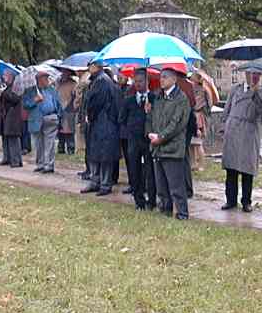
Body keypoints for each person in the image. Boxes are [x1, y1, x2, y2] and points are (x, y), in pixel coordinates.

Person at [221, 70, 262, 212]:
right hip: (233, 130)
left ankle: (246, 201)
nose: (254, 76)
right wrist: (223, 126)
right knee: (231, 168)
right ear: (246, 74)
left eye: (258, 74)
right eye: (252, 73)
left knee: (247, 169)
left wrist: (255, 93)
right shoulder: (235, 89)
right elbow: (227, 108)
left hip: (249, 132)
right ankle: (230, 200)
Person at [146, 68, 191, 219]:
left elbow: (177, 124)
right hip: (158, 147)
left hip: (173, 148)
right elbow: (152, 119)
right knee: (161, 186)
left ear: (174, 79)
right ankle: (165, 210)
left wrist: (162, 137)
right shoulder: (158, 97)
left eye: (165, 77)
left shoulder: (181, 98)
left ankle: (182, 213)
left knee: (176, 186)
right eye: (161, 77)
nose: (162, 80)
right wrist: (150, 132)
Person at [81, 60, 120, 196]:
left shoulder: (102, 81)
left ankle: (104, 184)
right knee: (96, 154)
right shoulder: (97, 80)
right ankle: (96, 181)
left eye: (90, 65)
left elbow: (96, 103)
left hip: (104, 123)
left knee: (104, 155)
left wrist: (90, 116)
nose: (88, 68)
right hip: (100, 123)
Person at [119, 68, 157, 210]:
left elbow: (159, 119)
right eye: (136, 81)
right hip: (133, 140)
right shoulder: (129, 100)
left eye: (141, 81)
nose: (138, 84)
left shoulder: (154, 99)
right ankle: (138, 199)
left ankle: (152, 200)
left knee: (150, 170)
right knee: (134, 170)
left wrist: (150, 112)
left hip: (148, 140)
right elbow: (122, 118)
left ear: (147, 81)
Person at [23, 70, 63, 173]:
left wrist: (58, 115)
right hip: (36, 120)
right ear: (38, 80)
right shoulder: (30, 91)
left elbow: (58, 103)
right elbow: (25, 104)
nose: (47, 80)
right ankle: (40, 164)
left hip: (51, 118)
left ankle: (49, 165)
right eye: (44, 78)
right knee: (38, 144)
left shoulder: (52, 90)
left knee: (50, 144)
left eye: (47, 78)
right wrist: (34, 100)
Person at [0, 70, 24, 167]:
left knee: (13, 139)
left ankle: (16, 160)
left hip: (13, 116)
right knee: (6, 137)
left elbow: (15, 99)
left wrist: (3, 94)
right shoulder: (7, 87)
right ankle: (7, 158)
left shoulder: (17, 86)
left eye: (6, 75)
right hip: (5, 116)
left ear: (11, 77)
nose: (4, 77)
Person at [57, 70, 77, 155]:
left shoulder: (73, 83)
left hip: (69, 109)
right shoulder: (58, 82)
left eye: (65, 72)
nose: (63, 73)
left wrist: (71, 106)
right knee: (60, 130)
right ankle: (61, 147)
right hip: (59, 108)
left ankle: (70, 148)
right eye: (63, 72)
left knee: (69, 130)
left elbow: (75, 96)